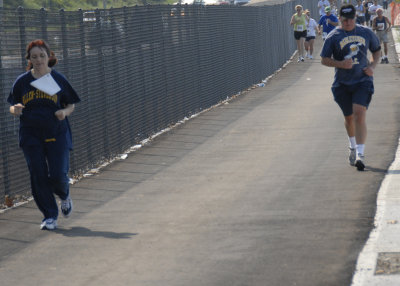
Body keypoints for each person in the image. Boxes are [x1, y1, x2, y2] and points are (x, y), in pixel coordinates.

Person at [8, 39, 80, 230]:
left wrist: (64, 113)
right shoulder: (22, 82)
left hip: (57, 133)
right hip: (31, 134)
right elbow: (13, 106)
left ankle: (64, 195)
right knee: (38, 175)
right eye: (34, 57)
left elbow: (71, 104)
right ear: (29, 60)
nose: (38, 60)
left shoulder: (58, 80)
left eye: (42, 56)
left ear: (49, 57)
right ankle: (49, 216)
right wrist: (15, 110)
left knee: (57, 174)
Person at [320, 4, 381, 171]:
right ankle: (352, 146)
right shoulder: (334, 36)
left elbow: (377, 51)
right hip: (342, 83)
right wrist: (340, 63)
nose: (348, 22)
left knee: (359, 114)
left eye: (351, 19)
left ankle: (361, 155)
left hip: (362, 80)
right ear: (340, 18)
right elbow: (324, 59)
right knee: (349, 118)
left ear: (355, 18)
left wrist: (373, 67)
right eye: (345, 20)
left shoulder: (365, 32)